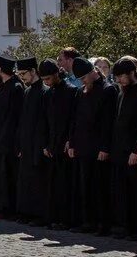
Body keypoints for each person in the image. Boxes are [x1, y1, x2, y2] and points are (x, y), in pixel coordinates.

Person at [67, 56, 117, 234]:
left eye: (84, 78)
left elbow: (107, 123)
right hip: (82, 146)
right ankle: (87, 220)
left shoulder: (107, 90)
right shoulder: (81, 92)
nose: (83, 82)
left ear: (93, 72)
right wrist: (72, 143)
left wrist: (105, 147)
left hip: (98, 147)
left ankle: (102, 223)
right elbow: (75, 120)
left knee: (99, 187)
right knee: (84, 186)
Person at [109, 58, 137, 238]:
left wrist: (135, 149)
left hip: (132, 150)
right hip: (119, 149)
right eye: (117, 77)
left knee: (136, 192)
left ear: (132, 73)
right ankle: (123, 224)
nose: (119, 81)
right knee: (121, 191)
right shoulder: (121, 92)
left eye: (122, 76)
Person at [41, 59, 78, 228]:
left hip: (66, 145)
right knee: (53, 185)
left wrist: (70, 140)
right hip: (53, 146)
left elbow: (73, 120)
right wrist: (47, 144)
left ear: (56, 74)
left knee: (66, 185)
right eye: (44, 80)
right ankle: (54, 217)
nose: (46, 83)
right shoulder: (48, 94)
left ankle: (67, 219)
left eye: (48, 79)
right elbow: (46, 123)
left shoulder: (71, 92)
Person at [14, 58, 50, 224]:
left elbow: (44, 121)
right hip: (26, 144)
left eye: (24, 73)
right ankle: (26, 212)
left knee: (37, 180)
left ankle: (39, 215)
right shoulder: (27, 91)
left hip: (38, 143)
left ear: (33, 71)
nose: (22, 77)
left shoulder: (44, 91)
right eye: (19, 74)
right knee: (26, 180)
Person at [0, 55, 23, 216]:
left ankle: (9, 208)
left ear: (1, 69)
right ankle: (1, 206)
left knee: (8, 176)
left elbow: (13, 118)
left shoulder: (15, 87)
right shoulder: (3, 87)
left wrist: (4, 139)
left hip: (8, 142)